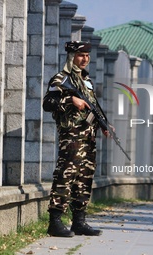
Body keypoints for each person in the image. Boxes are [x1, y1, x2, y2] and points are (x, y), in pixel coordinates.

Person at [43, 41, 110, 237]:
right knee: (66, 176)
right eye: (81, 55)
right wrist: (70, 100)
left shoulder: (86, 81)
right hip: (71, 137)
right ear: (72, 56)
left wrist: (104, 124)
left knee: (84, 178)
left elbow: (93, 107)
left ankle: (79, 221)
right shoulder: (61, 79)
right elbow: (48, 103)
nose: (85, 59)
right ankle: (55, 221)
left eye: (87, 55)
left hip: (88, 137)